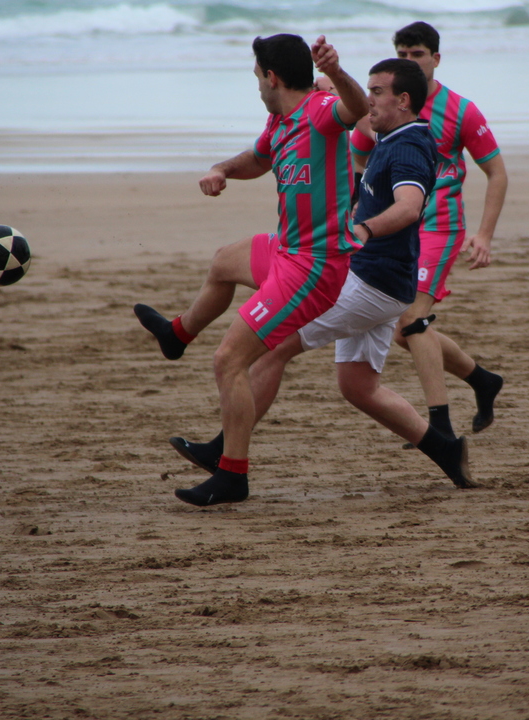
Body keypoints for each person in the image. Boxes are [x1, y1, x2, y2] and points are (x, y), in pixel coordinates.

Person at [169, 58, 476, 506]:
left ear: (403, 100)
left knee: (271, 346)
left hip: (370, 281)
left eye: (377, 92)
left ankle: (225, 454)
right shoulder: (394, 136)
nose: (369, 99)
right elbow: (344, 116)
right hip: (386, 283)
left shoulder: (408, 145)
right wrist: (326, 84)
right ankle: (446, 450)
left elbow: (410, 207)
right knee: (358, 387)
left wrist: (365, 229)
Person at [133, 34, 367, 505]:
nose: (256, 83)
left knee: (229, 360)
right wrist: (221, 169)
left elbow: (357, 109)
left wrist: (336, 72)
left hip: (316, 267)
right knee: (224, 262)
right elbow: (259, 159)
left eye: (257, 75)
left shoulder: (322, 111)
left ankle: (232, 476)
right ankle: (177, 335)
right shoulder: (279, 121)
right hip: (287, 250)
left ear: (272, 77)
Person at [350, 21, 506, 444]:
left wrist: (484, 235)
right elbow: (360, 165)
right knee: (405, 331)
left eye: (417, 54)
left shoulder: (461, 110)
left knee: (411, 320)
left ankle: (440, 424)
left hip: (439, 225)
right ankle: (483, 380)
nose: (409, 61)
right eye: (402, 55)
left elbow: (497, 172)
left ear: (436, 58)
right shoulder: (383, 110)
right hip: (395, 231)